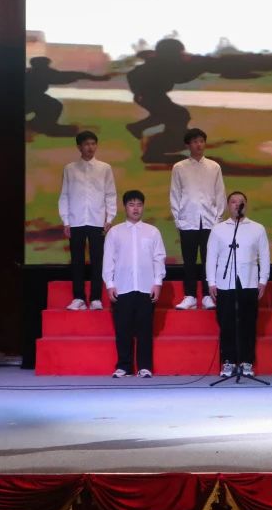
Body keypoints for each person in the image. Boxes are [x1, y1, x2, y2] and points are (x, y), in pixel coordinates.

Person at [102, 190, 166, 378]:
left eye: (139, 204)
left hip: (146, 287)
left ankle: (145, 366)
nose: (135, 208)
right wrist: (110, 284)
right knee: (123, 329)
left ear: (143, 207)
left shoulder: (152, 232)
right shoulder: (115, 232)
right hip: (122, 287)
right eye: (131, 204)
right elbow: (108, 260)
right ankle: (124, 366)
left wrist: (157, 282)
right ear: (125, 207)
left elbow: (158, 258)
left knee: (145, 329)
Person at [207, 191, 270, 378]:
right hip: (224, 282)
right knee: (226, 322)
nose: (237, 205)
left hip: (249, 281)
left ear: (245, 205)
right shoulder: (218, 229)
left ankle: (246, 361)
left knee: (248, 322)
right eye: (233, 202)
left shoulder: (257, 229)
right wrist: (211, 281)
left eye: (241, 202)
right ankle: (228, 361)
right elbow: (211, 257)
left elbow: (264, 256)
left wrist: (263, 280)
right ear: (228, 206)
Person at [59, 130, 117, 310]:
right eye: (86, 144)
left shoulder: (104, 168)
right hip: (76, 221)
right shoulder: (70, 169)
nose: (90, 147)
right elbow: (64, 195)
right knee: (77, 260)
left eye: (93, 144)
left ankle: (95, 298)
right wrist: (66, 220)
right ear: (79, 147)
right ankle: (78, 298)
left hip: (97, 220)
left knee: (97, 260)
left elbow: (110, 194)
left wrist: (110, 217)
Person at [170, 127, 226, 310]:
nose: (199, 145)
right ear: (188, 145)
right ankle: (190, 296)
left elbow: (220, 193)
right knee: (189, 260)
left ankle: (208, 296)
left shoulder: (214, 167)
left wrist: (218, 219)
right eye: (195, 142)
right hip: (188, 220)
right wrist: (178, 219)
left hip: (210, 221)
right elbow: (175, 194)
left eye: (201, 141)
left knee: (209, 259)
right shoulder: (179, 167)